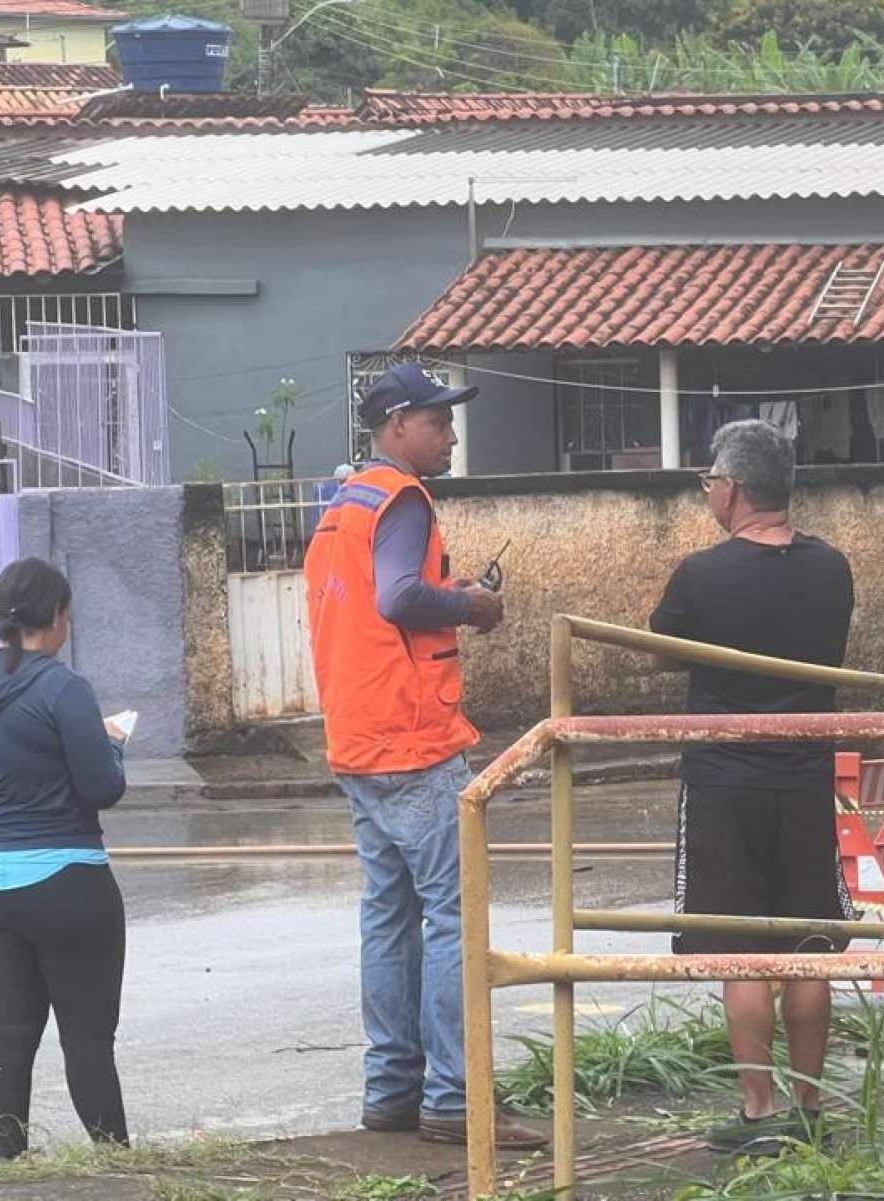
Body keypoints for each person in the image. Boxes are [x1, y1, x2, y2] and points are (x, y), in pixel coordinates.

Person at [303, 362, 547, 1150]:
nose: (449, 434)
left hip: (359, 736)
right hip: (412, 739)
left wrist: (446, 592)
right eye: (439, 421)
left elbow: (382, 601)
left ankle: (392, 1090)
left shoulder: (346, 501)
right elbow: (400, 597)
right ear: (398, 422)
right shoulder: (404, 497)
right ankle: (454, 1097)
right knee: (451, 914)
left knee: (387, 915)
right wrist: (470, 604)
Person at [649, 419, 857, 1155]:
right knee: (805, 943)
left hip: (724, 778)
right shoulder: (833, 568)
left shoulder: (702, 574)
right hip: (804, 775)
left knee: (743, 948)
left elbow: (661, 640)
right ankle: (807, 1106)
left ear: (730, 488)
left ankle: (758, 1109)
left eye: (710, 481)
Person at [0, 556, 131, 1161]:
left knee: (11, 1028)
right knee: (87, 1037)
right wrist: (112, 745)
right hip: (65, 886)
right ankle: (116, 1164)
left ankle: (13, 1164)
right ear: (57, 615)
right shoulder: (63, 688)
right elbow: (103, 789)